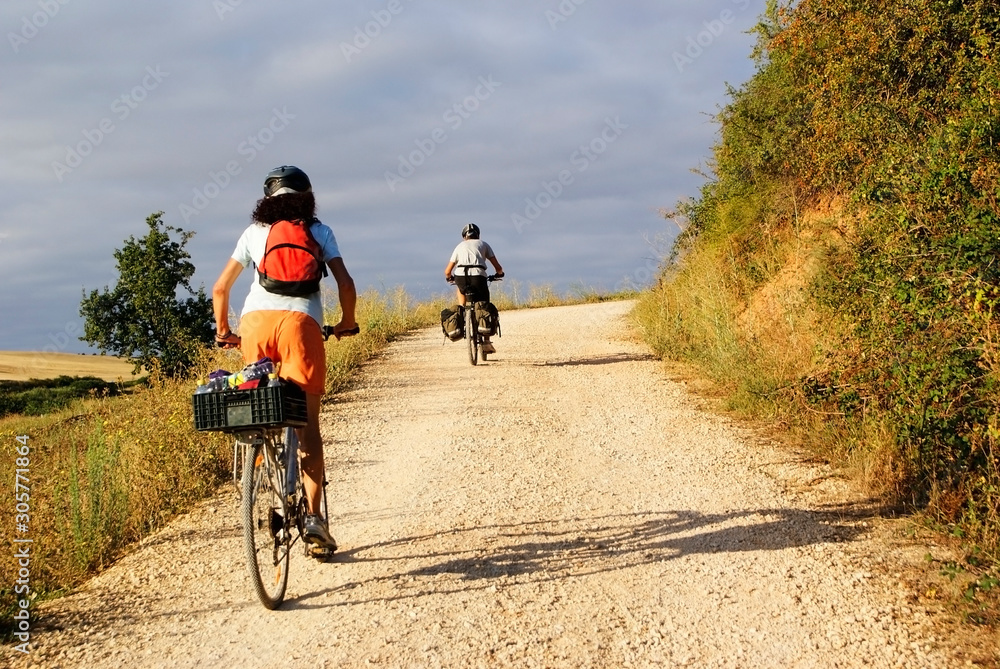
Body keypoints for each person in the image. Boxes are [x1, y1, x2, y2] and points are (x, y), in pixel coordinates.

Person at [212, 165, 357, 553]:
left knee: (257, 401)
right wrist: (347, 322)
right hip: (301, 326)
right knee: (308, 425)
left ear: (266, 199)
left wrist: (225, 331)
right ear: (307, 195)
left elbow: (220, 288)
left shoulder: (253, 233)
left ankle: (260, 460)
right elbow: (345, 283)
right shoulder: (319, 232)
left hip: (255, 324)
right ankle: (312, 518)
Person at [444, 223, 504, 353]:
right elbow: (498, 267)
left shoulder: (459, 246)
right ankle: (486, 342)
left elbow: (447, 271)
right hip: (479, 276)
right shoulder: (484, 244)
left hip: (460, 276)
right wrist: (499, 274)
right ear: (478, 235)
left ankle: (462, 309)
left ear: (464, 237)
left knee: (460, 288)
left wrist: (450, 278)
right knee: (484, 304)